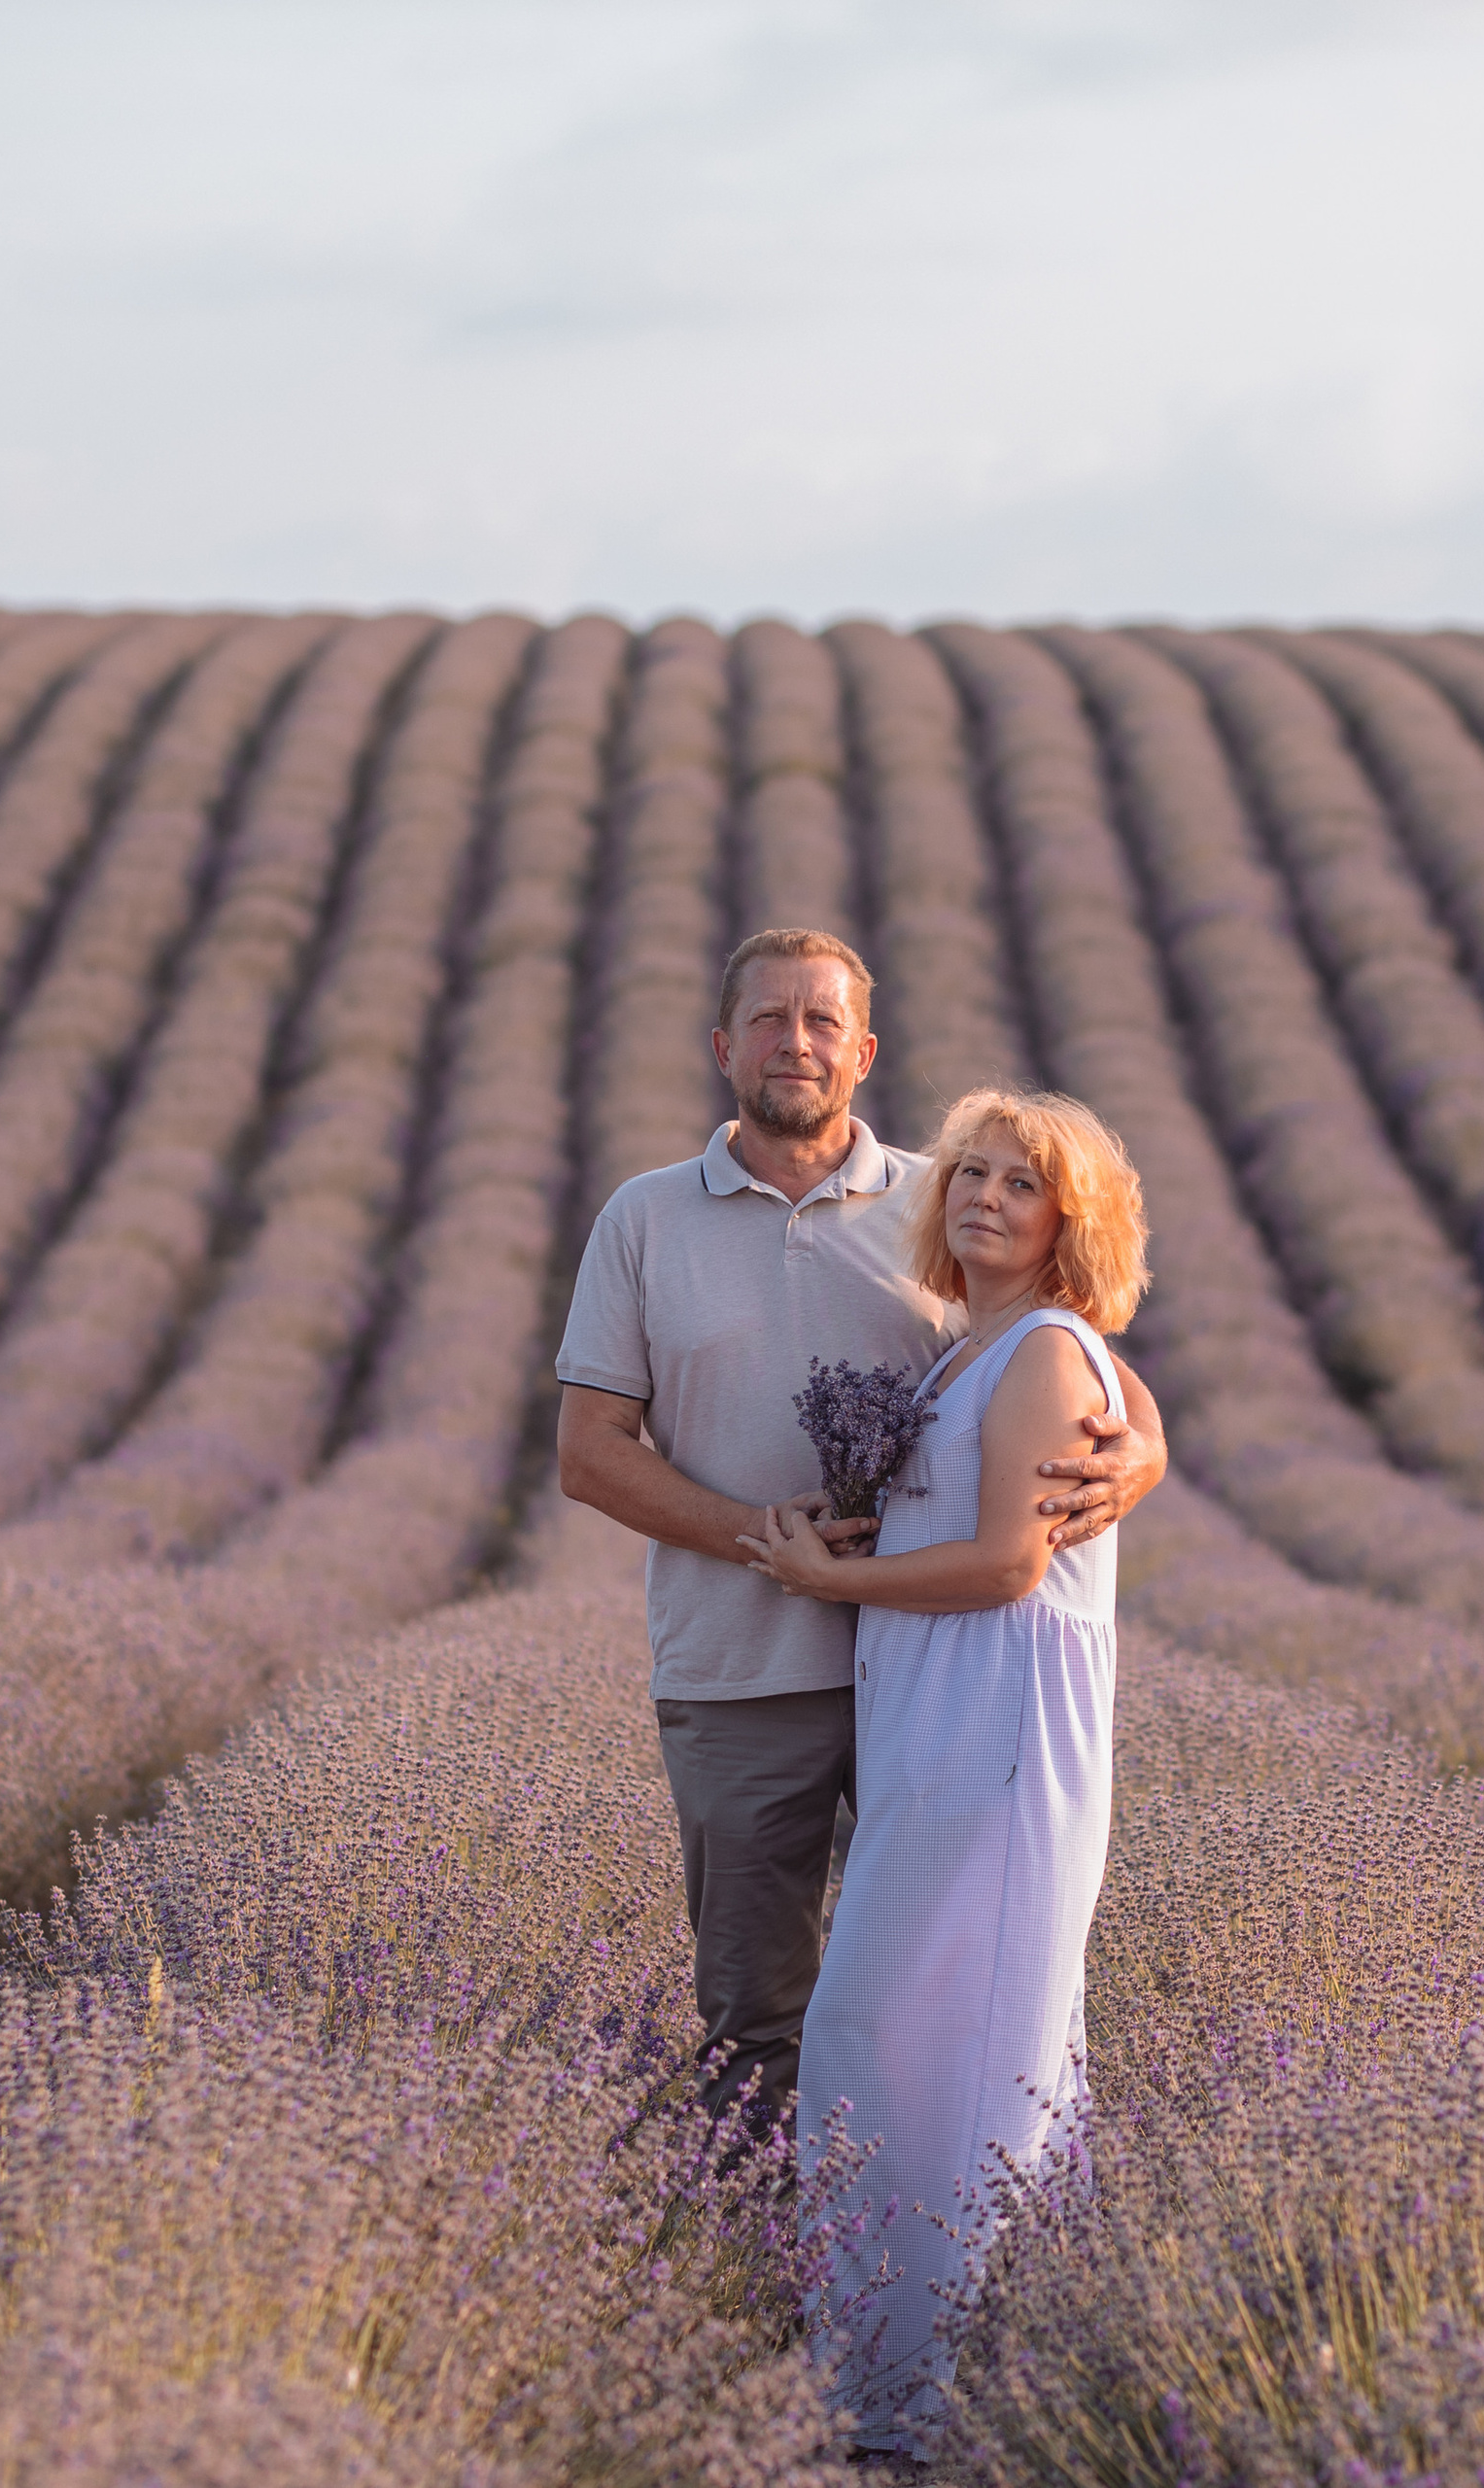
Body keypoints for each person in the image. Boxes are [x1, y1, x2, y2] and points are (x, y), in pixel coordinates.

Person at [554, 929, 1169, 2131]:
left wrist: (1145, 1446)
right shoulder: (642, 1220)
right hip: (739, 1674)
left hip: (930, 1683)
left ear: (863, 1051)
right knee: (756, 2013)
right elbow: (588, 1455)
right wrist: (768, 1545)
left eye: (822, 1022)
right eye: (771, 1020)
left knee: (924, 2003)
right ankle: (770, 2279)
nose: (796, 1042)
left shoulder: (941, 1202)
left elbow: (1071, 1341)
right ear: (723, 1045)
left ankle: (910, 2264)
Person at [741, 1086, 1150, 2458]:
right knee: (909, 2051)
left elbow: (1008, 1565)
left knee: (934, 2053)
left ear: (1067, 1220)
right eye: (967, 1174)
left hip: (1000, 1743)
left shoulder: (1037, 1348)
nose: (982, 1197)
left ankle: (919, 2410)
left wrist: (815, 1574)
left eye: (1019, 1185)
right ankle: (972, 2378)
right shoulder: (965, 1352)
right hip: (940, 1734)